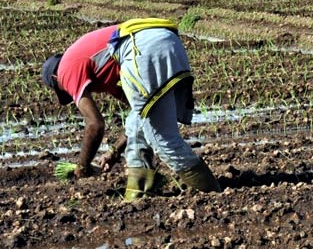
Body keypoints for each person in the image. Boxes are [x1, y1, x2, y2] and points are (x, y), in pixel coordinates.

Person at [42, 18, 221, 200]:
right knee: (138, 123)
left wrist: (82, 166)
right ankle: (139, 191)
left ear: (55, 78)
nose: (70, 93)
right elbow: (138, 115)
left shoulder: (65, 69)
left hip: (141, 49)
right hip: (165, 40)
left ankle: (212, 194)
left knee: (163, 140)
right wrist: (114, 152)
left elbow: (95, 124)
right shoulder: (105, 67)